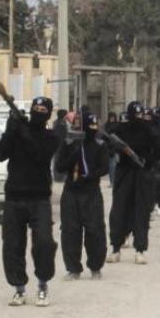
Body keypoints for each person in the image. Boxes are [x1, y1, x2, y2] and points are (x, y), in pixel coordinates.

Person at [0, 97, 60, 307]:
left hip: (39, 198)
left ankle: (42, 285)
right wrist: (10, 130)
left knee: (43, 243)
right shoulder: (17, 131)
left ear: (48, 114)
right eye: (35, 108)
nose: (38, 112)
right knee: (12, 245)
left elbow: (40, 156)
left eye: (43, 109)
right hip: (14, 197)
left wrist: (23, 132)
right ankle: (19, 288)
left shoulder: (51, 136)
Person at [107, 101, 160, 265]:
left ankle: (140, 249)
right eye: (135, 115)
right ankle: (116, 249)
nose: (138, 118)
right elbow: (109, 143)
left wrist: (148, 161)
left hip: (143, 174)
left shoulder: (149, 130)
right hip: (124, 172)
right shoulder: (121, 129)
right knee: (119, 210)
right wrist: (117, 150)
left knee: (142, 211)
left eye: (140, 115)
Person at [55, 112, 109, 280]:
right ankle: (73, 268)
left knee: (95, 230)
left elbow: (104, 168)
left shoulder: (100, 145)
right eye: (90, 126)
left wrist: (90, 175)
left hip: (91, 192)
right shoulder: (69, 143)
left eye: (95, 127)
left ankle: (95, 266)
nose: (93, 130)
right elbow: (59, 167)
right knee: (70, 231)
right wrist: (73, 156)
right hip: (71, 192)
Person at [104, 112, 119, 187]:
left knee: (115, 166)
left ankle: (115, 182)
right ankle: (112, 182)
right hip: (109, 148)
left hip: (116, 148)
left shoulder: (117, 125)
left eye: (113, 117)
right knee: (111, 167)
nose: (112, 119)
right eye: (111, 117)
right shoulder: (106, 125)